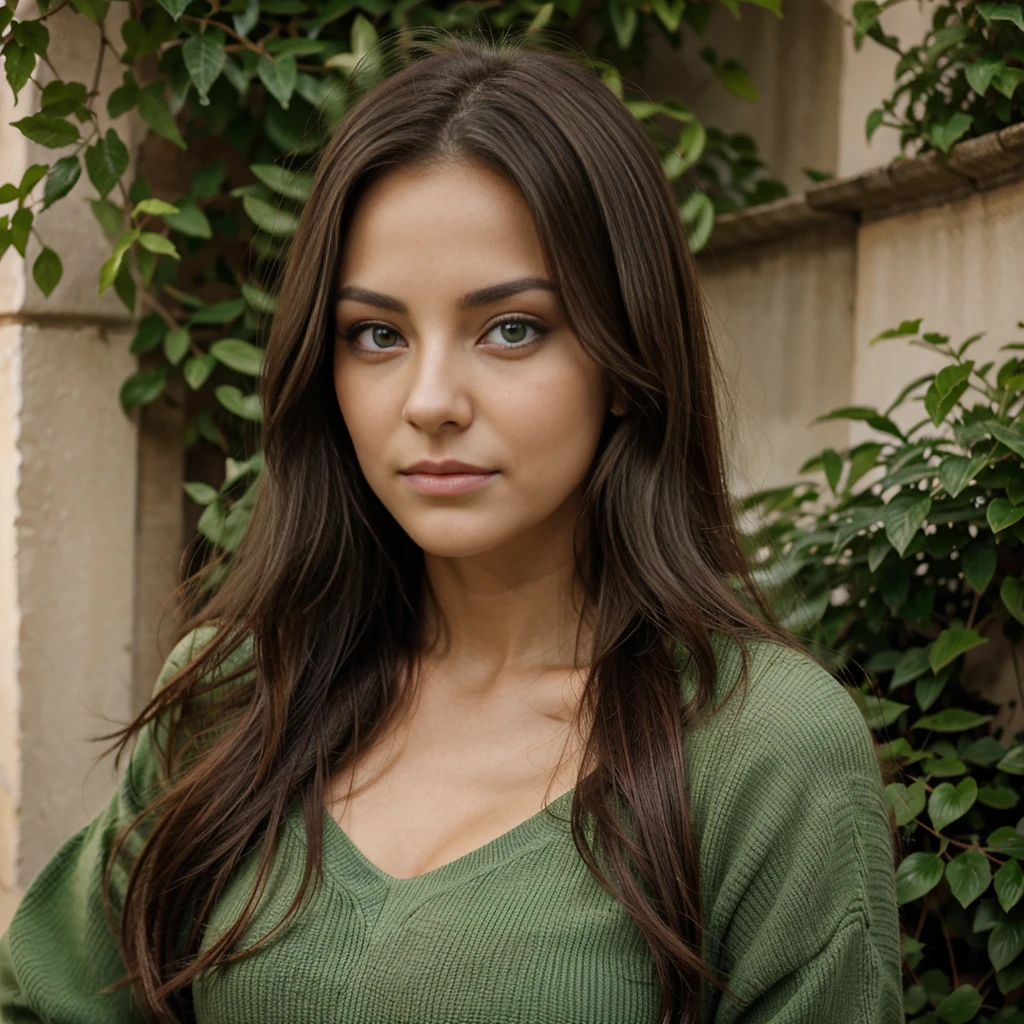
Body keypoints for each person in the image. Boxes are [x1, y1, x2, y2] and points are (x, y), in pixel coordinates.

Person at [0, 28, 904, 1024]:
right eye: (376, 335)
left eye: (510, 328)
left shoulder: (763, 752)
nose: (430, 399)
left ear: (624, 355)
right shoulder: (234, 691)